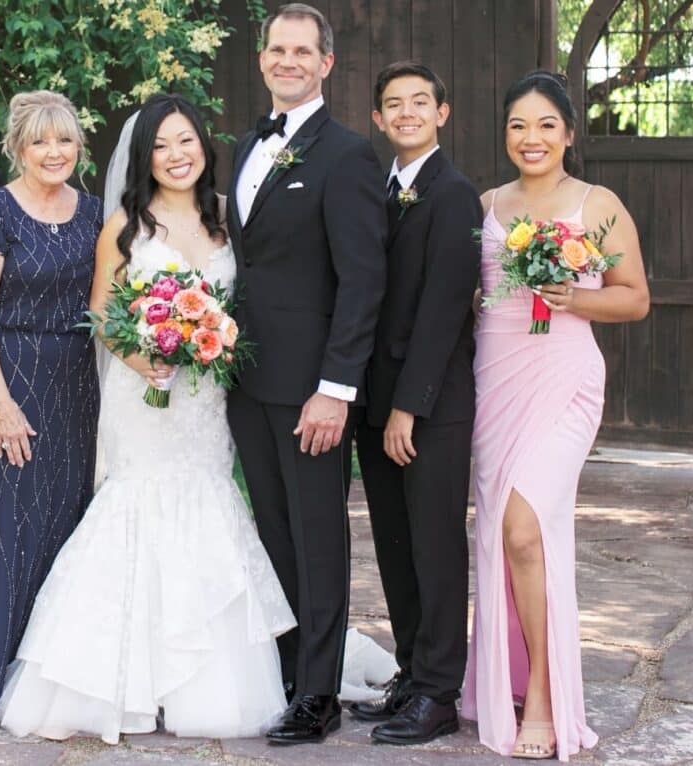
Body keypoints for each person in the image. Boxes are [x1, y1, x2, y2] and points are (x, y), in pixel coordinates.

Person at [0, 93, 297, 744]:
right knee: (133, 510)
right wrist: (142, 360)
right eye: (160, 146)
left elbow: (250, 299)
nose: (175, 155)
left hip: (206, 398)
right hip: (145, 396)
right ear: (144, 157)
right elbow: (103, 313)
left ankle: (201, 687)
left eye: (185, 141)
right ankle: (115, 684)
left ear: (203, 147)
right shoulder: (125, 226)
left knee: (207, 508)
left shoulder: (225, 222)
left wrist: (212, 337)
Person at [462, 70, 649, 760]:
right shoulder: (484, 204)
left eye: (545, 124)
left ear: (569, 133)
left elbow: (634, 298)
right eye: (518, 125)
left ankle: (542, 691)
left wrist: (575, 296)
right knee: (503, 538)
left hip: (566, 381)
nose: (531, 137)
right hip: (497, 385)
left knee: (524, 529)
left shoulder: (597, 205)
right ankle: (505, 679)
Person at [225, 3, 387, 744]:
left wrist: (336, 390)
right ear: (263, 58)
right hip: (247, 382)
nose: (287, 60)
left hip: (312, 391)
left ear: (326, 63)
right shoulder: (246, 148)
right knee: (274, 538)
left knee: (317, 539)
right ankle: (289, 676)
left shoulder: (348, 154)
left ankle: (318, 697)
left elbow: (362, 281)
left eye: (302, 51)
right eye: (276, 48)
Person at [0, 90, 102, 725]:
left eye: (64, 139)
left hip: (76, 384)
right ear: (18, 147)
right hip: (7, 377)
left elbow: (107, 303)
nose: (54, 151)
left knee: (68, 529)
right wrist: (0, 404)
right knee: (7, 530)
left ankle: (54, 685)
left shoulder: (96, 213)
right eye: (40, 140)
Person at [348, 61, 481, 746]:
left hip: (428, 407)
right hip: (378, 404)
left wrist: (409, 408)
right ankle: (409, 673)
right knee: (396, 550)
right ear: (378, 118)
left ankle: (438, 692)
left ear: (442, 113)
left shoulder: (454, 196)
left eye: (419, 102)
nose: (405, 113)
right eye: (393, 105)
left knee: (433, 548)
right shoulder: (380, 189)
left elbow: (443, 311)